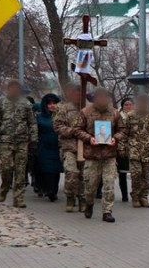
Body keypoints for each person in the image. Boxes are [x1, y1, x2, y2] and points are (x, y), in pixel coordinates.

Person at [74, 88, 121, 222]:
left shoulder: (114, 113)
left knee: (109, 184)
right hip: (92, 155)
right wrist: (89, 139)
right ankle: (89, 204)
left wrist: (115, 138)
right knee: (90, 186)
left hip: (109, 155)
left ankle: (107, 211)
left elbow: (122, 130)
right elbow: (77, 129)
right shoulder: (85, 112)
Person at [0, 80, 38, 208]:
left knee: (21, 170)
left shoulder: (26, 104)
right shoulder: (1, 103)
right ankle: (4, 188)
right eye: (12, 88)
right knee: (6, 168)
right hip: (5, 140)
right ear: (9, 89)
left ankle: (19, 197)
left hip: (21, 141)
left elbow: (32, 123)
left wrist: (34, 139)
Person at [123, 94, 149, 208]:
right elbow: (124, 133)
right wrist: (122, 148)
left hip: (148, 151)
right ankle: (135, 197)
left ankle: (144, 197)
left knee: (145, 177)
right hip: (134, 150)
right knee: (136, 175)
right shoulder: (131, 116)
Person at [53, 83, 86, 212]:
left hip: (85, 148)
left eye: (80, 93)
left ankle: (82, 199)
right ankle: (70, 197)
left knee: (84, 176)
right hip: (69, 147)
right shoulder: (64, 108)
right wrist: (72, 131)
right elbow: (57, 126)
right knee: (71, 173)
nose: (77, 96)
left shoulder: (88, 109)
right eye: (75, 93)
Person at [35, 94, 64, 202]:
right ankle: (48, 190)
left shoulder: (61, 116)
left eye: (54, 103)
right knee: (46, 170)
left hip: (57, 147)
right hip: (44, 147)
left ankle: (54, 191)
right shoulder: (39, 117)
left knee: (56, 170)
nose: (52, 106)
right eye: (49, 103)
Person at [116, 97, 134, 202]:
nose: (128, 107)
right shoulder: (118, 116)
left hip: (134, 148)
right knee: (122, 173)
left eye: (130, 104)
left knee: (135, 173)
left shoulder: (137, 116)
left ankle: (135, 194)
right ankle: (124, 195)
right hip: (121, 148)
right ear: (122, 106)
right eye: (126, 105)